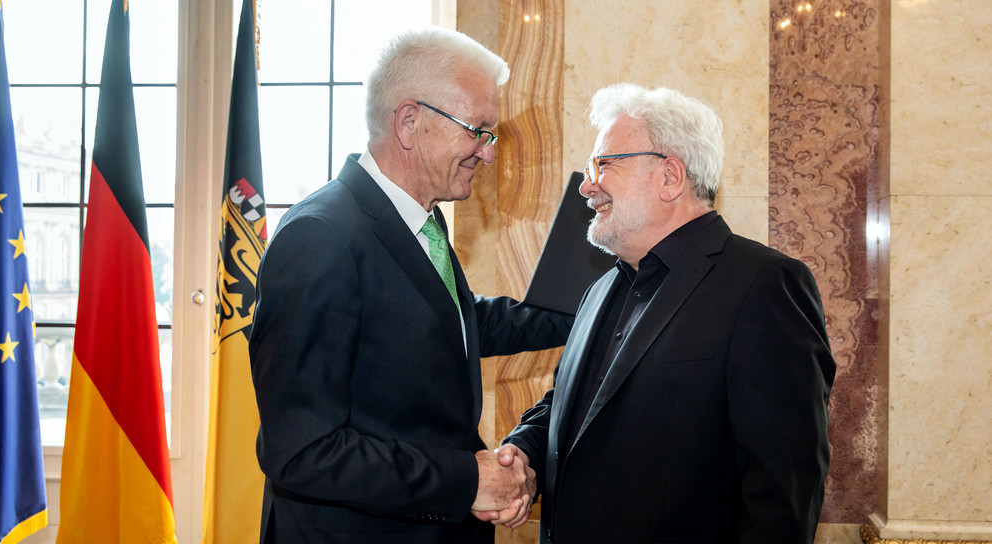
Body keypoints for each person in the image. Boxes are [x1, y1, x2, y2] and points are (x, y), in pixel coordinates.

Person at [248, 27, 572, 543]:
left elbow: (448, 322)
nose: (487, 154)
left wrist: (578, 308)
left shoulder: (421, 218)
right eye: (477, 130)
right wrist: (467, 481)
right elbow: (302, 452)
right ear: (408, 121)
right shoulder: (319, 237)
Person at [501, 83, 836, 543]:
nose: (586, 185)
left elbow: (783, 493)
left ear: (670, 176)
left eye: (603, 165)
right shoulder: (597, 291)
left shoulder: (764, 286)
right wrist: (518, 454)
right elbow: (566, 408)